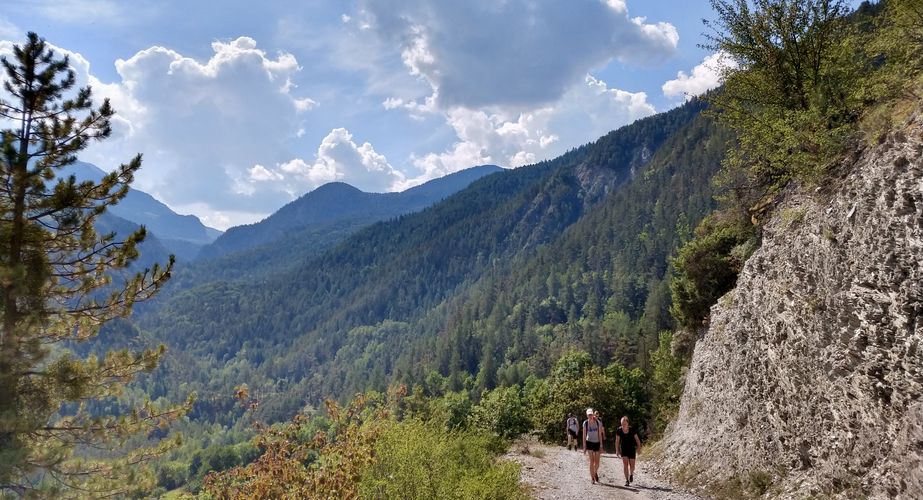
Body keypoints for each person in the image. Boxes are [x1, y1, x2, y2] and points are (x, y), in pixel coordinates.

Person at [614, 416, 642, 487]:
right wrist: (617, 450)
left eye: (625, 423)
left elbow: (637, 440)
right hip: (624, 449)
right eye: (622, 423)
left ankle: (631, 474)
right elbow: (617, 441)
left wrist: (639, 449)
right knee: (625, 465)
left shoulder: (632, 429)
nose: (623, 425)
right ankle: (627, 480)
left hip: (632, 449)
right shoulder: (619, 430)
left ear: (627, 423)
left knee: (632, 465)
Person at [582, 408, 605, 484]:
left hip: (597, 443)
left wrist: (601, 446)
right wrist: (584, 446)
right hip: (589, 442)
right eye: (589, 415)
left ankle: (595, 472)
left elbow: (600, 434)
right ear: (587, 415)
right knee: (591, 461)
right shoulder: (585, 423)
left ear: (593, 414)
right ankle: (592, 478)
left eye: (591, 414)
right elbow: (584, 435)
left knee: (597, 462)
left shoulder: (598, 422)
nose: (590, 416)